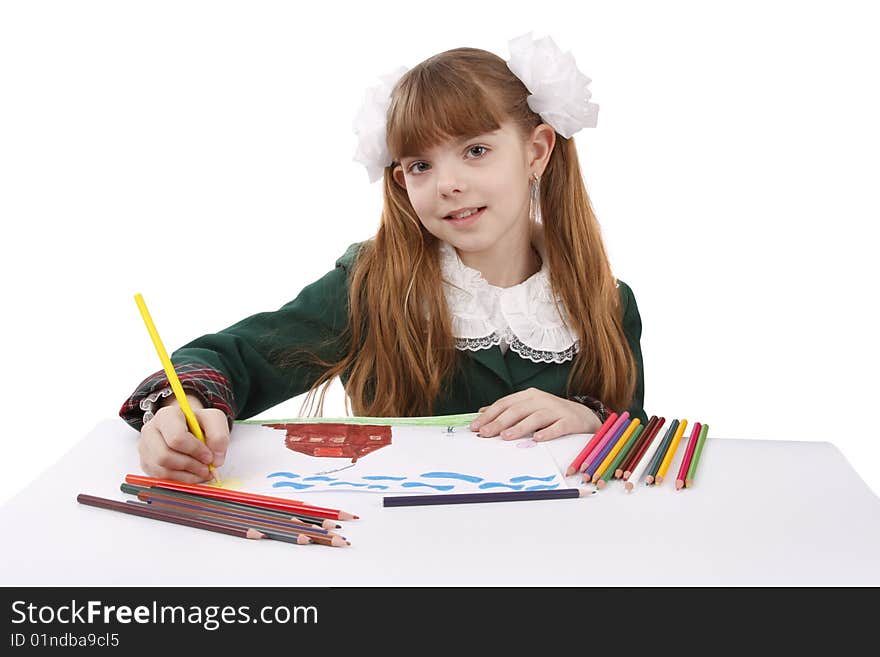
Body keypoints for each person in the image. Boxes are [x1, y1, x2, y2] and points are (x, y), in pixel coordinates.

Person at [120, 32, 648, 484]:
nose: (449, 184)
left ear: (536, 151)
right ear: (400, 178)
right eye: (420, 164)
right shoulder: (374, 284)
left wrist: (588, 418)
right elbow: (233, 359)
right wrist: (179, 407)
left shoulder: (606, 301)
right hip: (403, 557)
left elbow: (640, 448)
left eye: (476, 151)